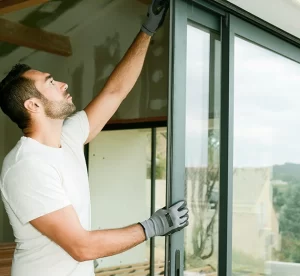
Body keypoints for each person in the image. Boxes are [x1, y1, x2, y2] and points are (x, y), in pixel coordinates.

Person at [0, 1, 189, 276]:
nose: (63, 83)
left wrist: (147, 30)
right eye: (50, 83)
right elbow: (81, 246)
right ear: (33, 106)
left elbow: (114, 92)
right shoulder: (26, 166)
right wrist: (152, 227)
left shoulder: (68, 137)